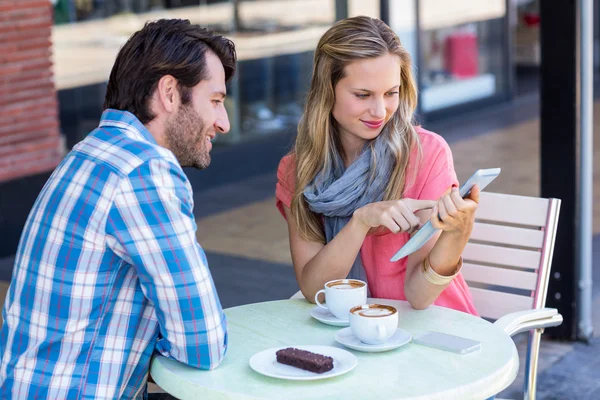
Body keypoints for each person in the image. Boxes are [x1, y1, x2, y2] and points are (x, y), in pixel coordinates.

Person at [0, 19, 235, 399]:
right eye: (216, 100)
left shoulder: (90, 153)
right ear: (170, 93)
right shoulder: (143, 170)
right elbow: (202, 343)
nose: (223, 122)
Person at [276, 16, 479, 315]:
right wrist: (360, 222)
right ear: (326, 90)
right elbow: (314, 290)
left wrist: (458, 232)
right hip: (350, 331)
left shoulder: (426, 154)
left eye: (390, 93)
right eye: (362, 95)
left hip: (431, 328)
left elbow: (420, 297)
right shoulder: (299, 168)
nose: (379, 111)